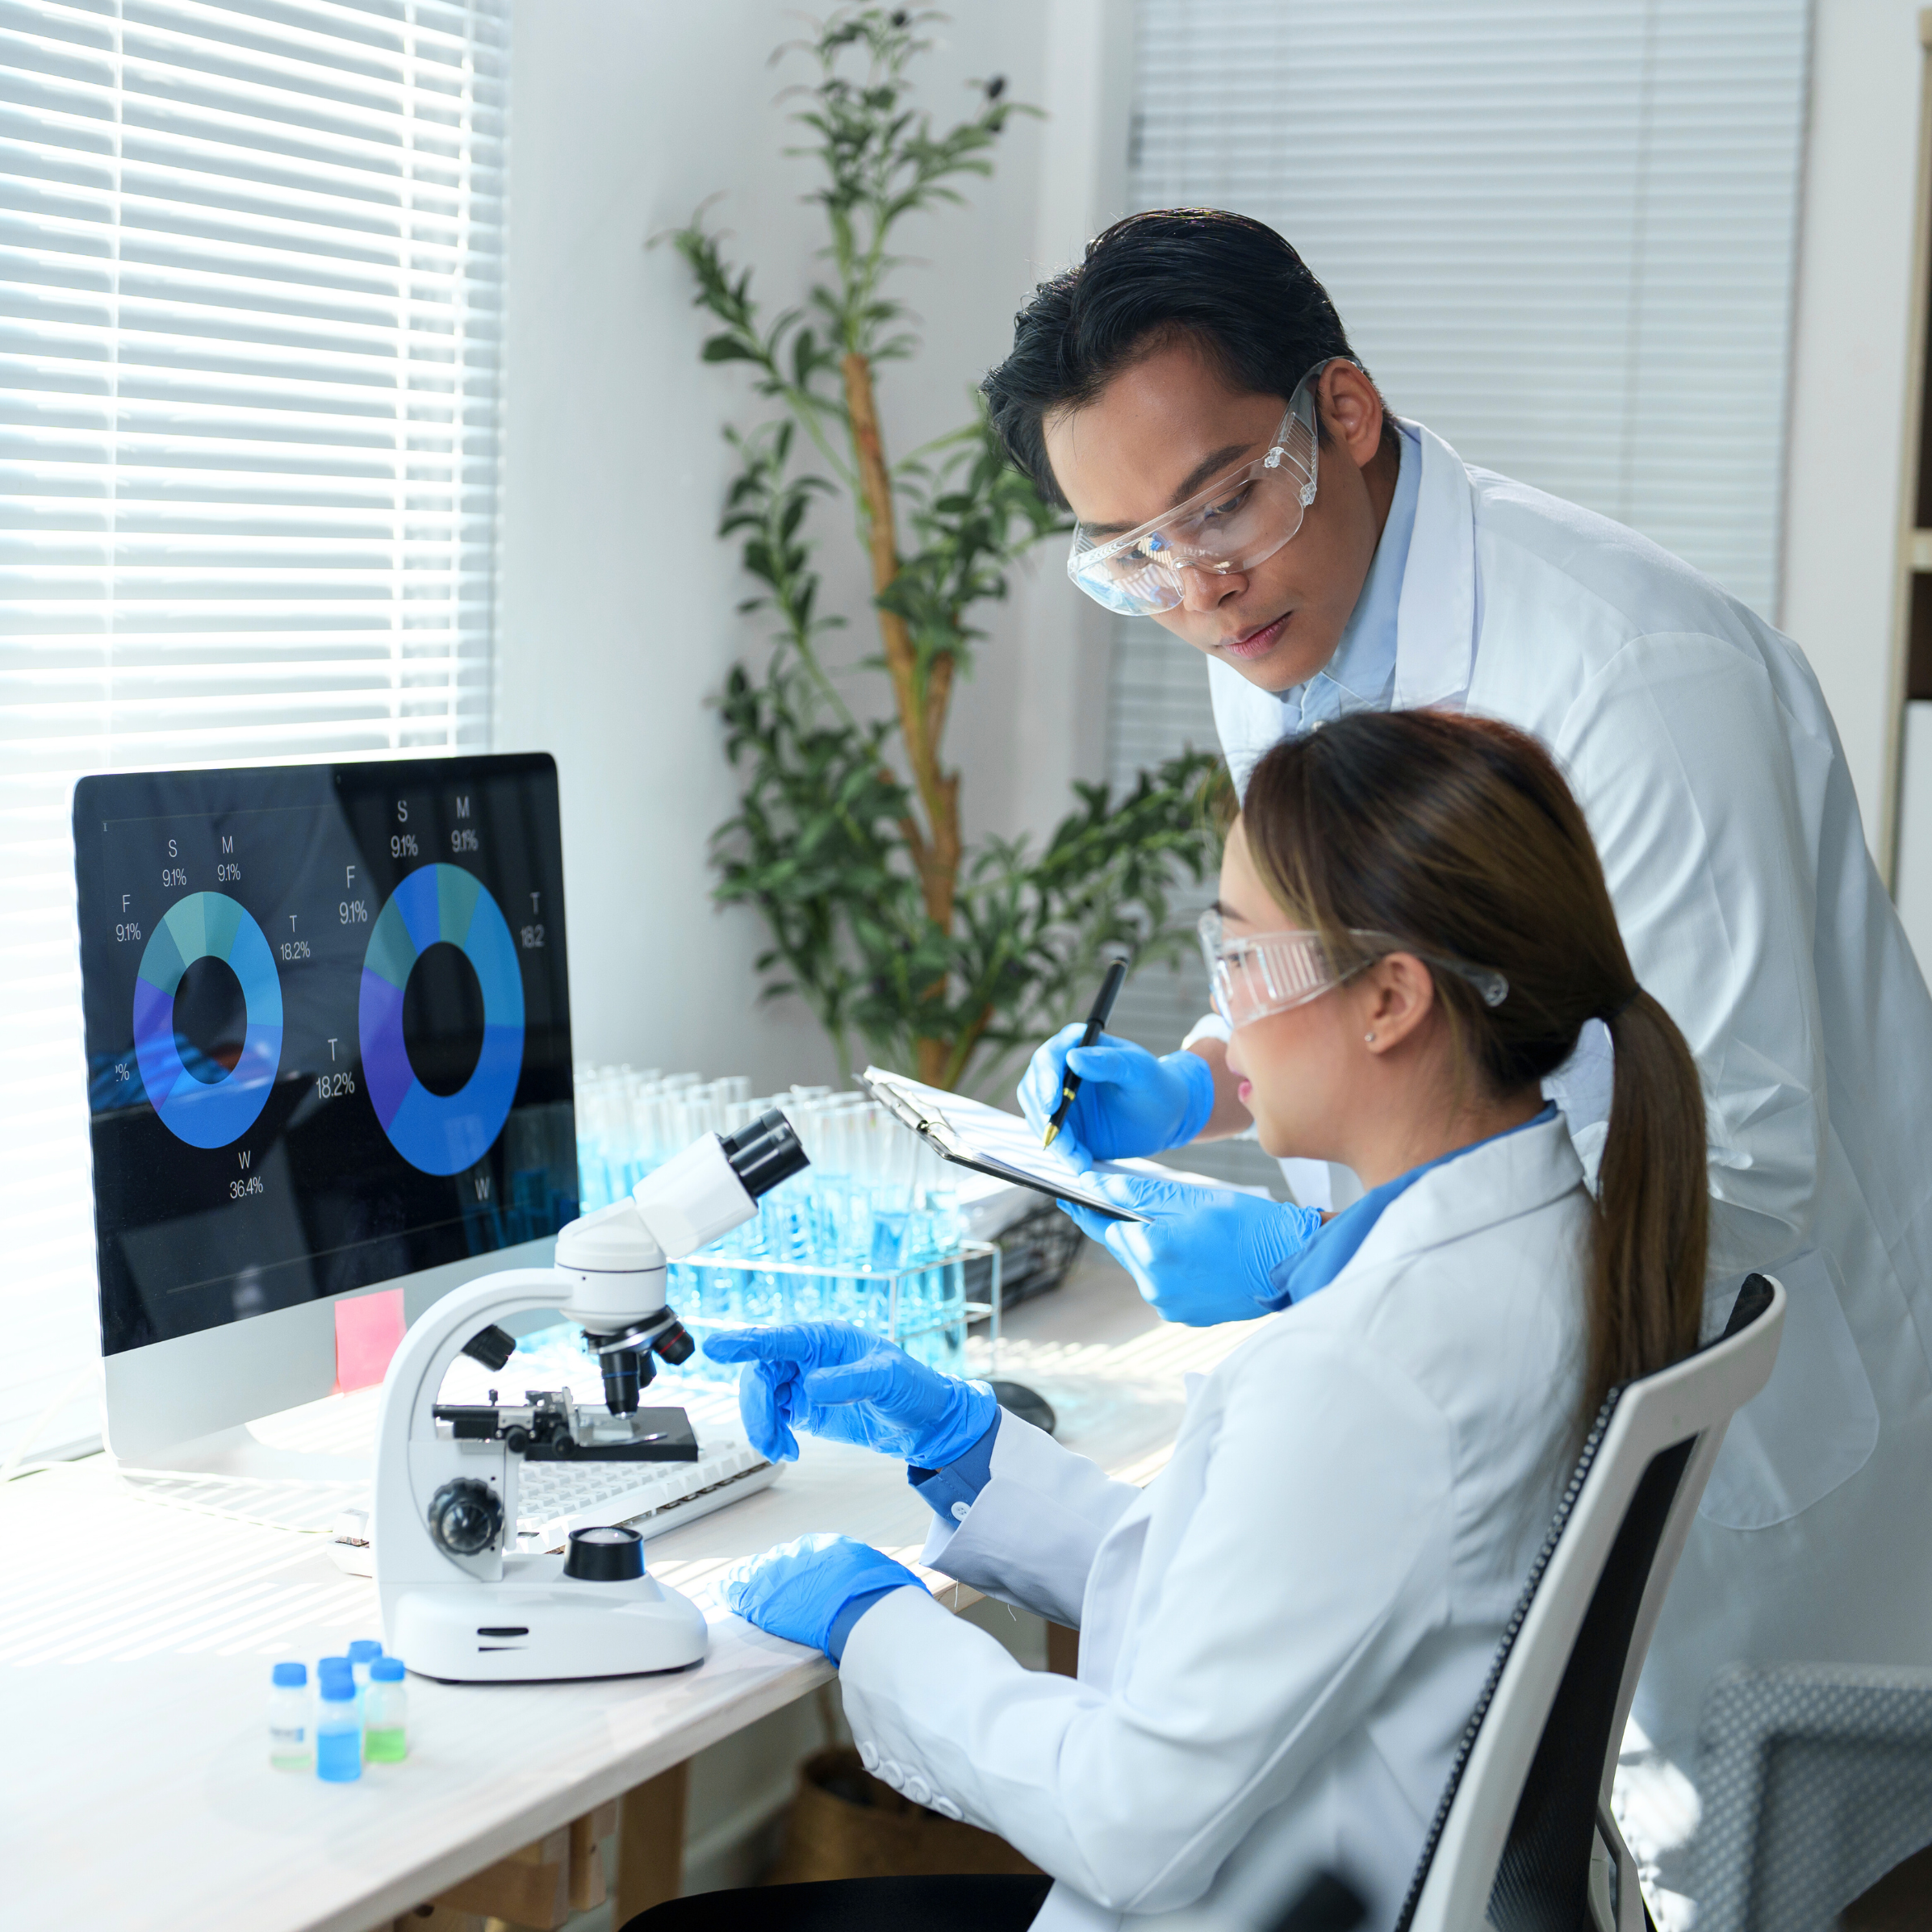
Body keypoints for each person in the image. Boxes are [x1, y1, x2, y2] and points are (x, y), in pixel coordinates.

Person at [993, 210, 1932, 1850]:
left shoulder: (1629, 680)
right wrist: (1202, 1082)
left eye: (1217, 501)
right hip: (1533, 1406)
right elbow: (1427, 996)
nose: (1195, 586)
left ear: (1339, 415)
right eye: (1130, 554)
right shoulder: (1272, 630)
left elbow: (1741, 1153)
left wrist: (1339, 1270)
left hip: (1766, 1444)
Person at [627, 712, 1709, 1932]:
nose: (1217, 1011)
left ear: (1390, 998)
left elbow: (1127, 1819)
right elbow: (1277, 1588)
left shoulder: (1366, 1368)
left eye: (1241, 955)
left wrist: (870, 1621)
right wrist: (967, 1451)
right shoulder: (1554, 1235)